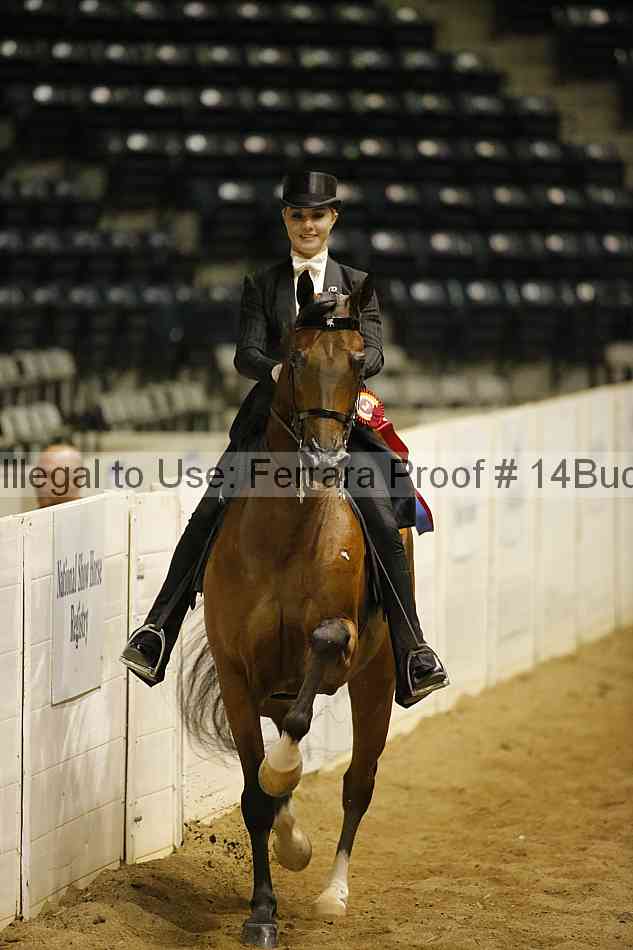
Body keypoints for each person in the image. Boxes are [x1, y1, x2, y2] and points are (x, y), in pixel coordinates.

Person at [120, 170, 448, 707]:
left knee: (385, 519)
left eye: (317, 215)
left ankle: (413, 649)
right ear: (286, 220)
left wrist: (344, 361)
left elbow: (376, 352)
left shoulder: (358, 283)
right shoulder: (263, 283)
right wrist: (278, 370)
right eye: (298, 216)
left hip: (339, 422)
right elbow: (245, 353)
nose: (307, 225)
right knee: (209, 511)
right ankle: (158, 630)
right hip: (270, 424)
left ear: (332, 219)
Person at [34, 443, 84, 508]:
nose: (38, 483)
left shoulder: (93, 513)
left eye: (48, 475)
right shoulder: (38, 514)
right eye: (38, 475)